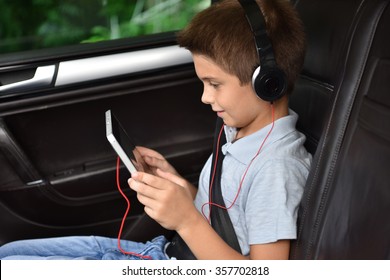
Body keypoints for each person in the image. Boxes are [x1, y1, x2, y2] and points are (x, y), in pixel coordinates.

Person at [0, 0, 311, 260]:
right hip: (161, 252)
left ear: (267, 82)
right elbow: (225, 214)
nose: (205, 97)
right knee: (9, 254)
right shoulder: (242, 133)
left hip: (172, 259)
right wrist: (178, 187)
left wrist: (186, 221)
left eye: (214, 84)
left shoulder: (276, 168)